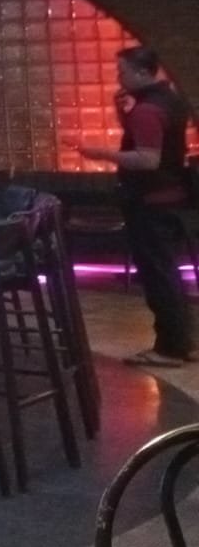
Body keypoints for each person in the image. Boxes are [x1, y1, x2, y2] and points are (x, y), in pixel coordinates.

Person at [78, 46, 195, 368]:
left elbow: (147, 159)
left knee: (158, 276)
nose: (119, 77)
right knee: (169, 273)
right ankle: (185, 343)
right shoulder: (172, 100)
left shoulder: (147, 110)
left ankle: (169, 349)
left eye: (123, 71)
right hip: (173, 198)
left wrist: (100, 154)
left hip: (150, 202)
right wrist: (124, 115)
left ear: (143, 72)